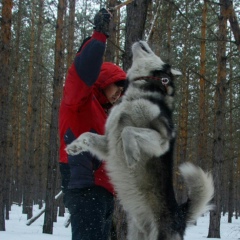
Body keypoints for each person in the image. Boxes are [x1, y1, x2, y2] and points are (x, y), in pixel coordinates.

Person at [58, 8, 126, 240]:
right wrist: (99, 36)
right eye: (118, 85)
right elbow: (83, 71)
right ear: (104, 79)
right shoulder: (79, 101)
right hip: (85, 188)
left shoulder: (105, 116)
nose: (120, 93)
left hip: (102, 194)